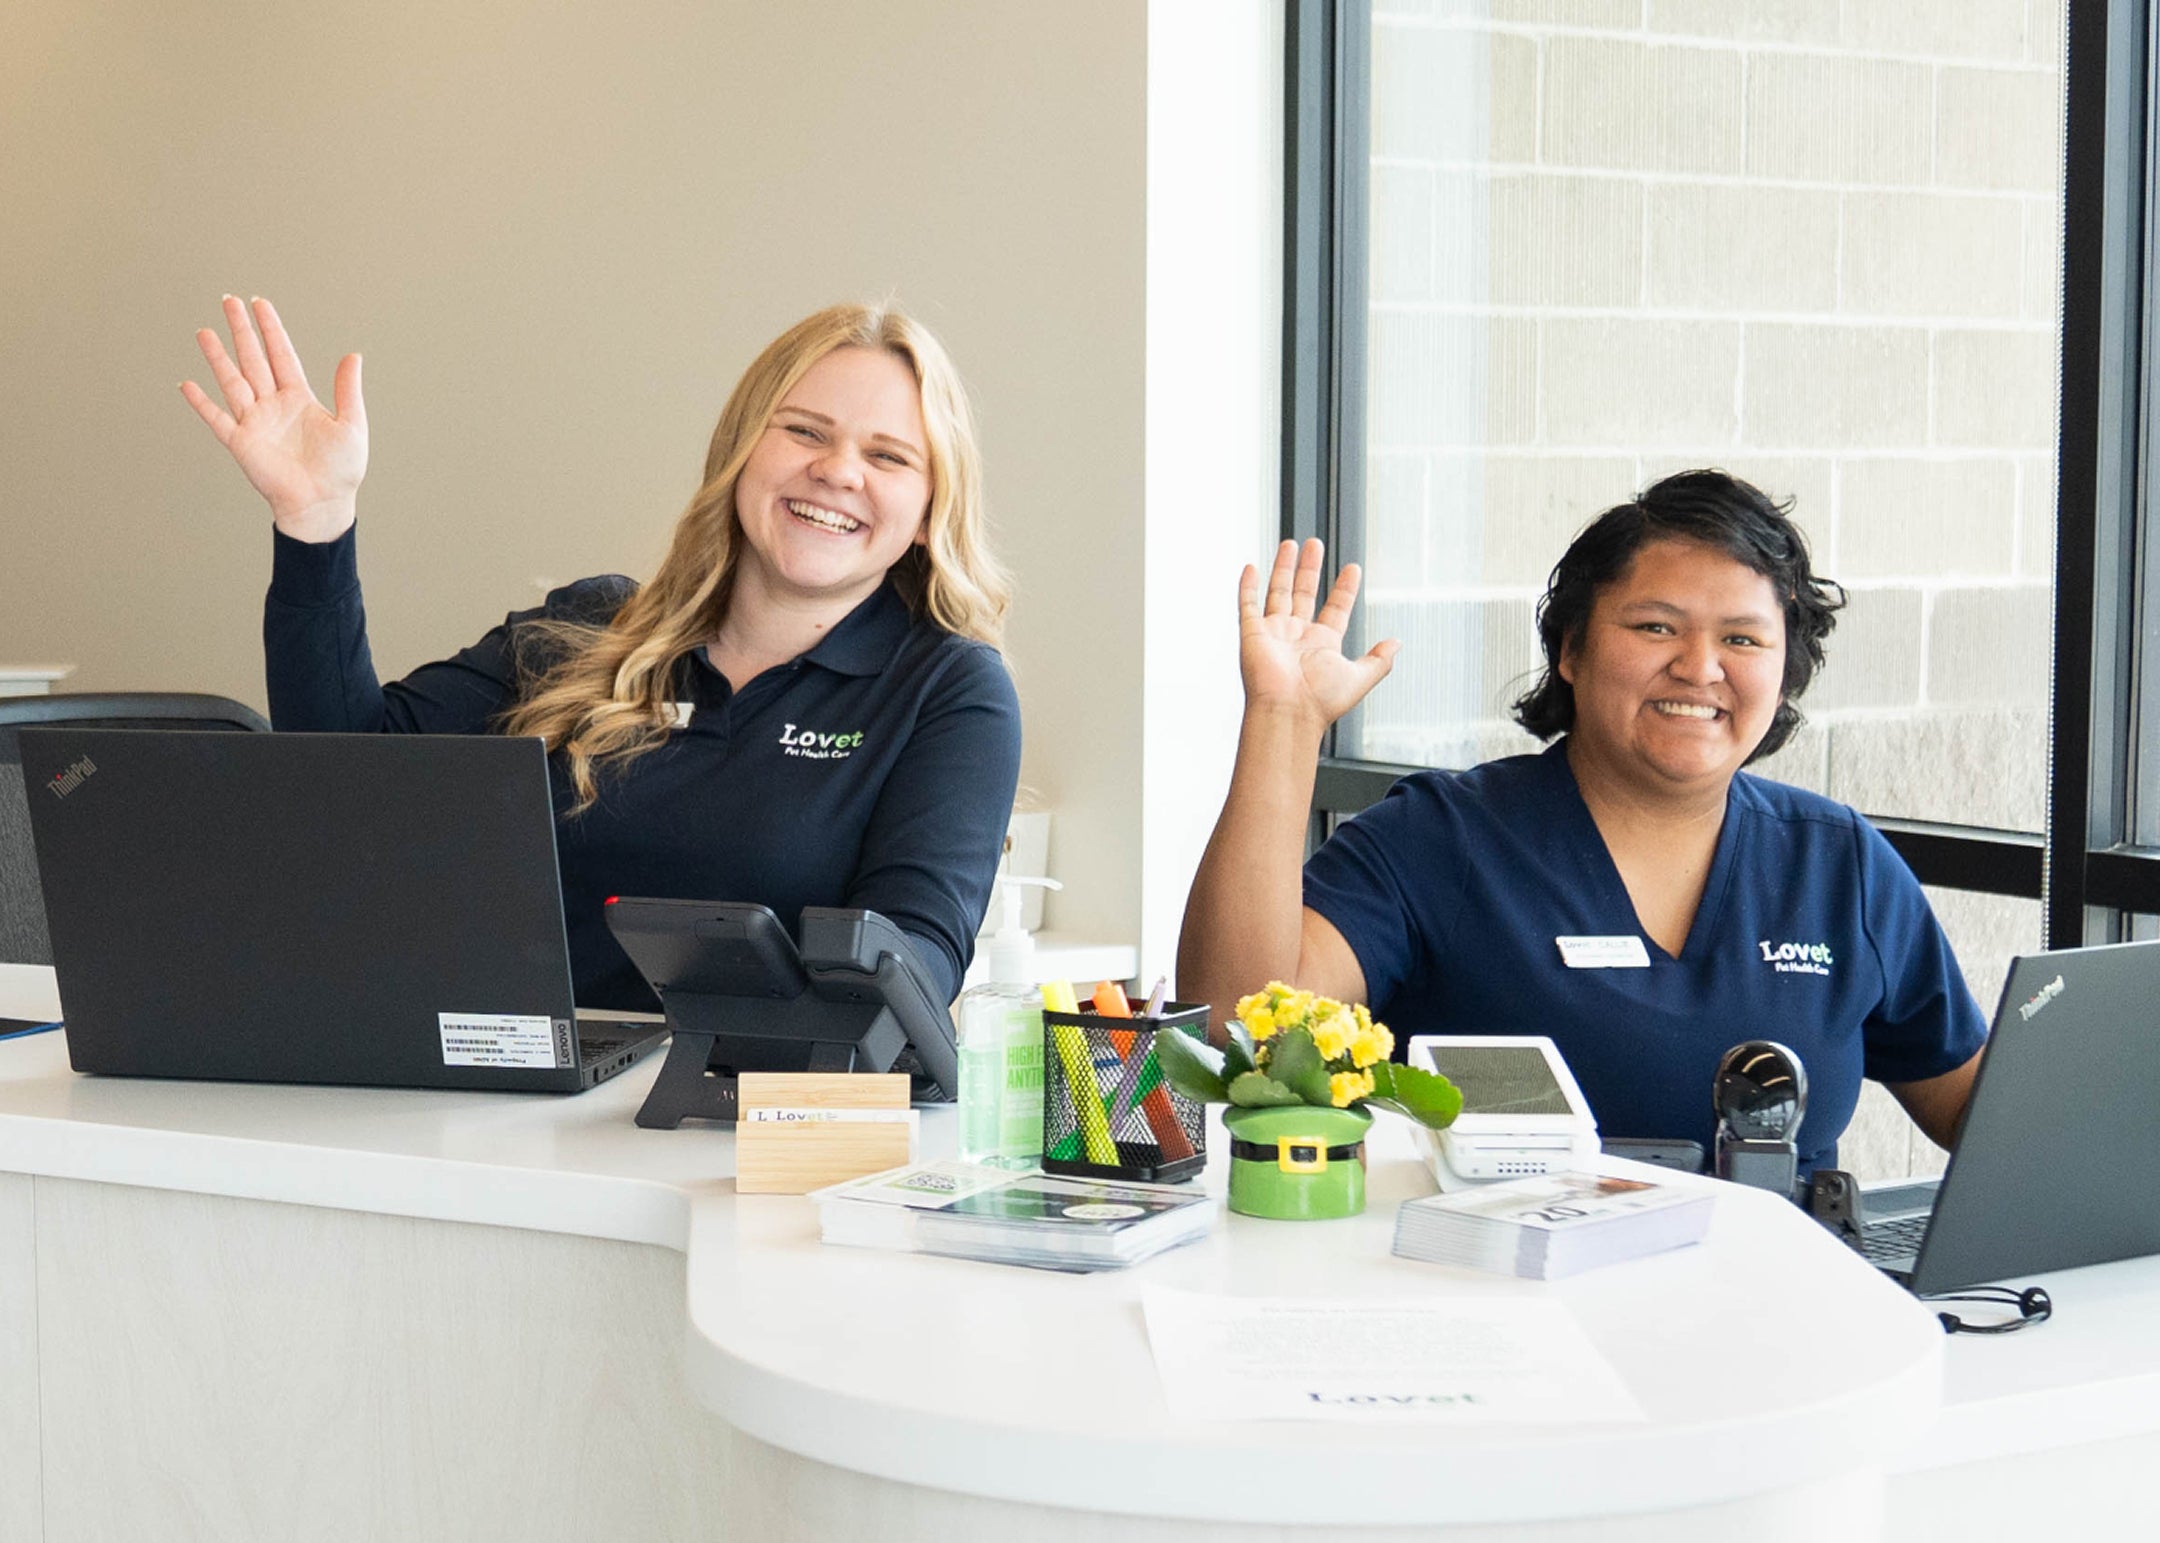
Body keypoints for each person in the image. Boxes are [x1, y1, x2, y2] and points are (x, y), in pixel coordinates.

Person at [182, 296, 1022, 1011]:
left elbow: (916, 963)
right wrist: (315, 521)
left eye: (888, 456)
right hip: (513, 1108)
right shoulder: (590, 624)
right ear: (740, 452)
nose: (838, 471)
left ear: (927, 508)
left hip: (740, 1127)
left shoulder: (948, 691)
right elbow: (345, 775)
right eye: (804, 431)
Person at [1177, 470, 1987, 1179]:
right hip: (1507, 1306)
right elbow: (1235, 1020)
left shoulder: (1841, 865)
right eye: (1656, 627)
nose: (1700, 666)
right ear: (1571, 649)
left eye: (1742, 638)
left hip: (1778, 1316)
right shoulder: (1444, 840)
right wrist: (1284, 723)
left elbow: (1976, 1115)